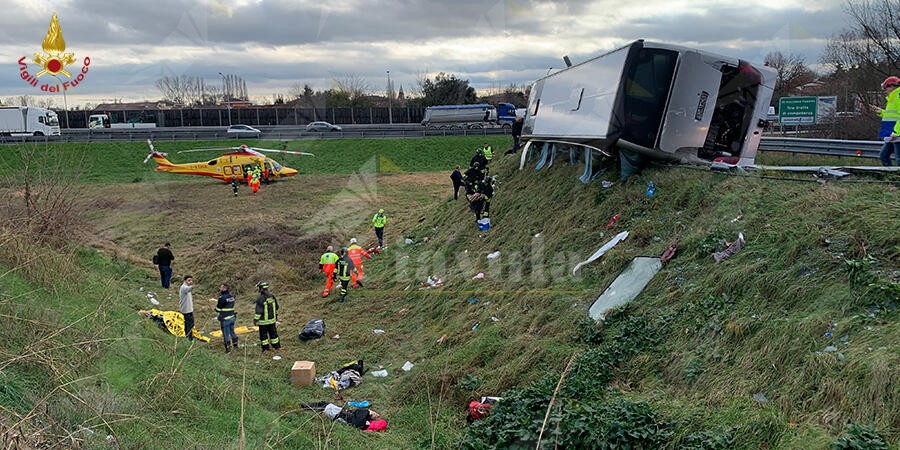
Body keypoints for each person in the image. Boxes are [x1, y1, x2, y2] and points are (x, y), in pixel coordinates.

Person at [253, 281, 280, 352]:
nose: (258, 289)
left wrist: (255, 320)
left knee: (263, 336)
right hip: (272, 320)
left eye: (259, 288)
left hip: (263, 322)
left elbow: (258, 311)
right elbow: (276, 307)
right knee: (274, 334)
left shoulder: (260, 298)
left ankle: (265, 349)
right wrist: (276, 317)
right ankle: (276, 346)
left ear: (261, 289)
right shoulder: (272, 296)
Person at [879, 76, 900, 166]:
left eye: (885, 88)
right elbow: (892, 116)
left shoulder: (898, 97)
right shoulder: (892, 98)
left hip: (896, 135)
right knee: (884, 155)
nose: (884, 91)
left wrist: (896, 132)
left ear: (891, 87)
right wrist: (881, 112)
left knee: (899, 160)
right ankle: (891, 177)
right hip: (893, 135)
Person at [215, 283, 238, 353]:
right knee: (232, 332)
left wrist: (216, 309)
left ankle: (228, 349)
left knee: (226, 334)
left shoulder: (222, 298)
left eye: (221, 288)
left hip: (225, 319)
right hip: (232, 317)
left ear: (225, 289)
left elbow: (218, 309)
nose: (220, 289)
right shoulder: (231, 297)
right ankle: (235, 345)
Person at [179, 275, 195, 341]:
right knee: (190, 324)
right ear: (185, 281)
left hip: (187, 309)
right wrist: (192, 286)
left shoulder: (185, 287)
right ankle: (189, 338)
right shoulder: (184, 287)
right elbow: (188, 289)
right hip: (187, 310)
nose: (190, 282)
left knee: (187, 324)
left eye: (191, 280)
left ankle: (187, 336)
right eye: (189, 280)